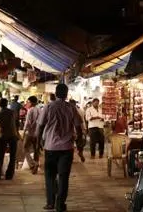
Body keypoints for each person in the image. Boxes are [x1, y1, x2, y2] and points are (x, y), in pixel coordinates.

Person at [37, 83, 83, 212]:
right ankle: (60, 204)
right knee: (63, 177)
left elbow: (40, 126)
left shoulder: (48, 107)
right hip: (66, 148)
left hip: (50, 148)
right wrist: (79, 143)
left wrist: (37, 144)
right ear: (66, 94)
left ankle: (50, 203)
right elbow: (79, 127)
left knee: (50, 176)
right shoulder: (71, 108)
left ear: (56, 94)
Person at [22, 95, 42, 174]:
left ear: (32, 102)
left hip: (30, 133)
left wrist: (23, 132)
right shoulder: (39, 110)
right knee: (36, 150)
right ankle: (36, 164)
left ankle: (32, 164)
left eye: (28, 102)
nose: (27, 103)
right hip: (37, 133)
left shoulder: (30, 110)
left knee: (25, 148)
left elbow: (27, 123)